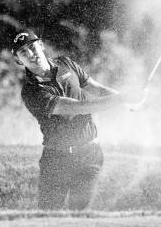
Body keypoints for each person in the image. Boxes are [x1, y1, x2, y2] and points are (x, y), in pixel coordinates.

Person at [11, 31, 135, 210]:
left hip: (89, 156)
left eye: (32, 46)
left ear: (41, 45)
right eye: (23, 52)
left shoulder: (66, 63)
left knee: (78, 215)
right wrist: (120, 100)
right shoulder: (31, 91)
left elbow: (95, 88)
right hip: (56, 160)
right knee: (48, 217)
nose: (30, 53)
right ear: (18, 60)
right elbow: (76, 107)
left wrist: (129, 101)